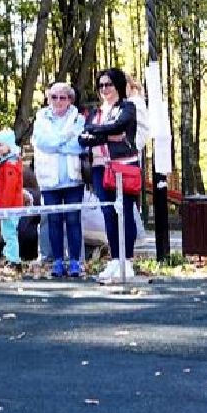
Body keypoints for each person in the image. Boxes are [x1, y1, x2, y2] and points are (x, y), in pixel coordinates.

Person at [80, 68, 142, 279]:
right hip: (100, 168)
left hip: (123, 166)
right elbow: (84, 137)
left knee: (125, 212)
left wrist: (99, 132)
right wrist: (107, 133)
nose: (104, 89)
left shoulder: (128, 107)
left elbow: (120, 125)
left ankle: (128, 260)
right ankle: (116, 260)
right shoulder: (96, 113)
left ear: (118, 86)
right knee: (108, 214)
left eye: (109, 84)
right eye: (101, 85)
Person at [32, 81, 87, 277]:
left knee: (73, 220)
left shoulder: (79, 119)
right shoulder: (40, 118)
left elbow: (79, 145)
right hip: (49, 180)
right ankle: (56, 261)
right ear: (48, 99)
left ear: (70, 99)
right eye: (53, 97)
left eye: (62, 97)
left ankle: (74, 262)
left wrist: (56, 143)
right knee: (53, 220)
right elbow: (42, 143)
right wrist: (65, 139)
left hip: (73, 179)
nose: (58, 101)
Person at [0, 128, 24, 272]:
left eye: (1, 145)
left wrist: (3, 207)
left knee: (9, 233)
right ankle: (11, 258)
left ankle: (13, 260)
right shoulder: (5, 163)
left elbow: (9, 188)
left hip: (10, 206)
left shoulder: (10, 164)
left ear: (9, 146)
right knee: (7, 232)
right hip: (8, 205)